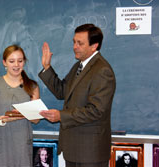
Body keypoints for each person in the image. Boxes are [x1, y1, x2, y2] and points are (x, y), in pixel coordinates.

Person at [38, 24, 116, 167]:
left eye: (80, 43)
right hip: (74, 149)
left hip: (90, 152)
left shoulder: (102, 70)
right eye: (74, 42)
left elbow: (95, 110)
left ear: (94, 46)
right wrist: (47, 68)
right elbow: (62, 91)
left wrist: (62, 116)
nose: (75, 46)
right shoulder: (79, 66)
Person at [0, 44, 40, 167]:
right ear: (4, 63)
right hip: (0, 141)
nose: (16, 65)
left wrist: (21, 113)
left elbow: (36, 119)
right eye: (12, 61)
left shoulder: (32, 86)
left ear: (24, 62)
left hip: (22, 142)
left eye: (20, 61)